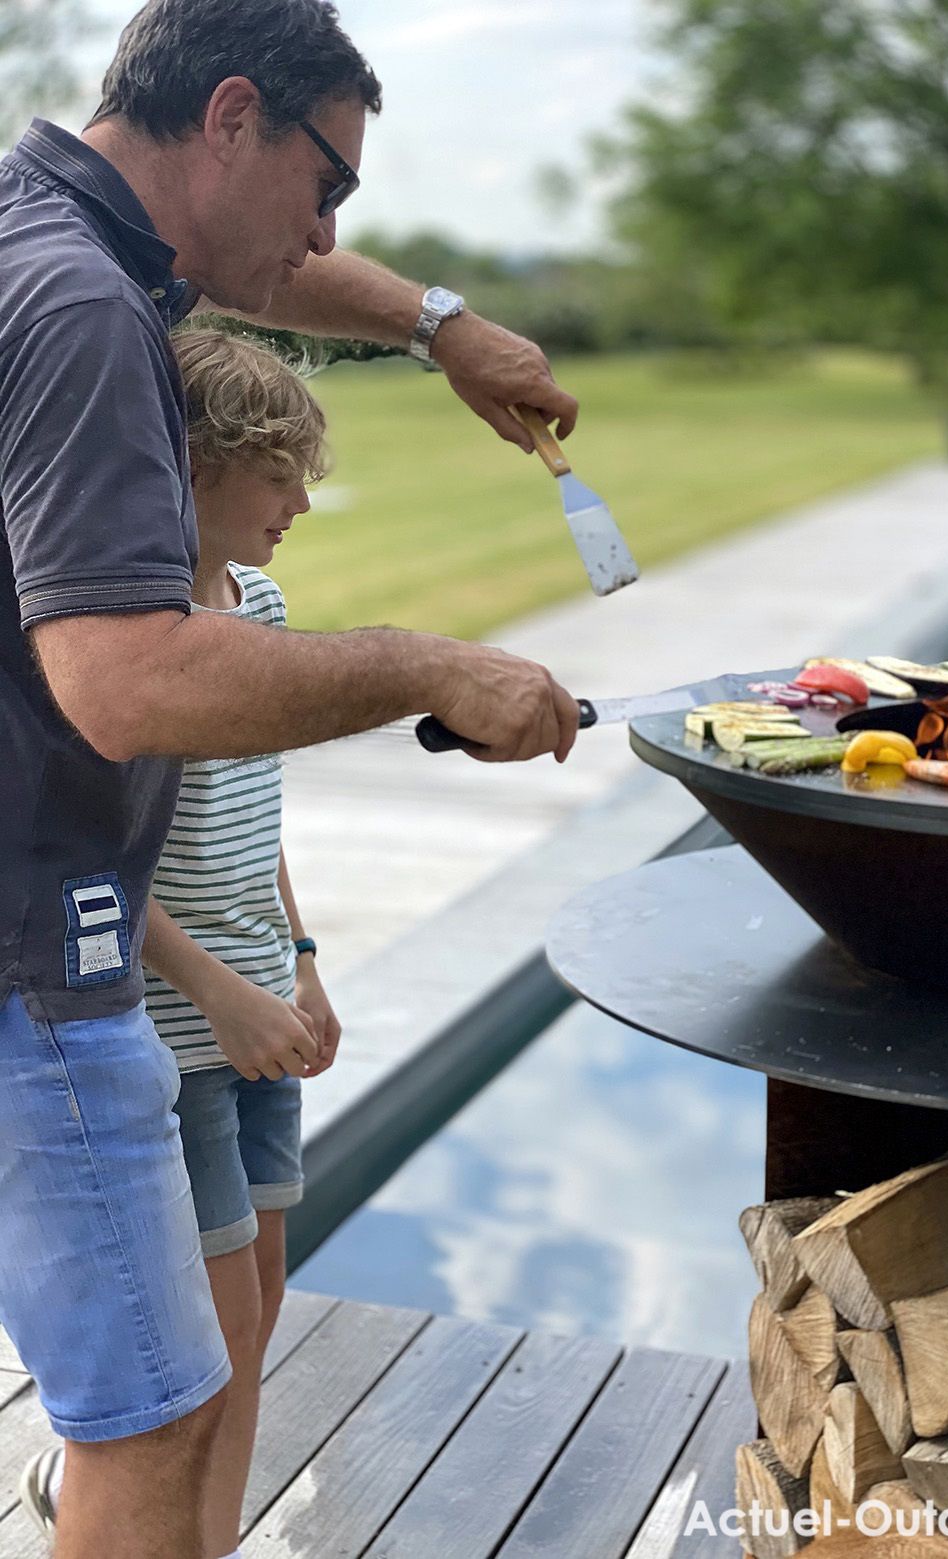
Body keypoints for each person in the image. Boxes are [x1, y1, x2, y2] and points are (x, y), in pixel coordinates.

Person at [0, 3, 581, 1557]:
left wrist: (439, 322)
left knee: (173, 1398)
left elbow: (276, 265)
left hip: (53, 949)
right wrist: (425, 666)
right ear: (233, 117)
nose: (329, 228)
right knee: (150, 1413)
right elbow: (123, 680)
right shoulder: (73, 302)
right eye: (328, 183)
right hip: (28, 956)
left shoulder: (56, 227)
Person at [21, 328, 342, 1554]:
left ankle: (197, 1529)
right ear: (196, 468)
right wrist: (219, 995)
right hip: (180, 1021)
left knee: (255, 1309)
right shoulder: (128, 648)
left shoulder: (252, 606)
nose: (301, 504)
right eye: (278, 477)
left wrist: (300, 963)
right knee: (201, 1341)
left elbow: (257, 817)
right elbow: (96, 853)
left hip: (262, 1006)